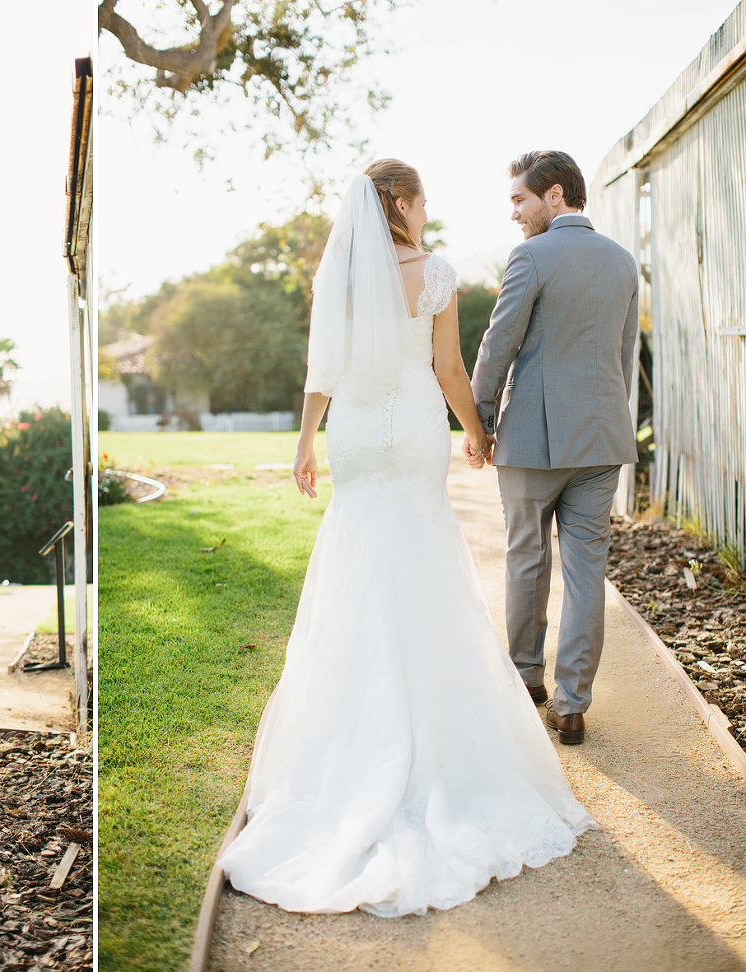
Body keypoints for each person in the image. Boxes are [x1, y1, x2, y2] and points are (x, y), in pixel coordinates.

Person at [217, 160, 595, 917]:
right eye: (421, 200)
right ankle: (436, 742)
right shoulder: (436, 273)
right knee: (422, 558)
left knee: (359, 558)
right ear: (401, 204)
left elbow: (320, 369)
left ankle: (352, 741)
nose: (427, 212)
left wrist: (304, 442)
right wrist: (478, 432)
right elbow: (450, 369)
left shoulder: (339, 278)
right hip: (414, 426)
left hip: (355, 429)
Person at [471, 150, 641, 746]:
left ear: (556, 195)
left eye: (520, 199)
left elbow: (498, 345)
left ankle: (525, 679)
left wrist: (479, 419)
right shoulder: (624, 262)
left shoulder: (531, 256)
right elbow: (624, 358)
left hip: (533, 441)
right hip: (601, 440)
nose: (515, 213)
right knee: (586, 572)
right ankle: (572, 704)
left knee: (526, 559)